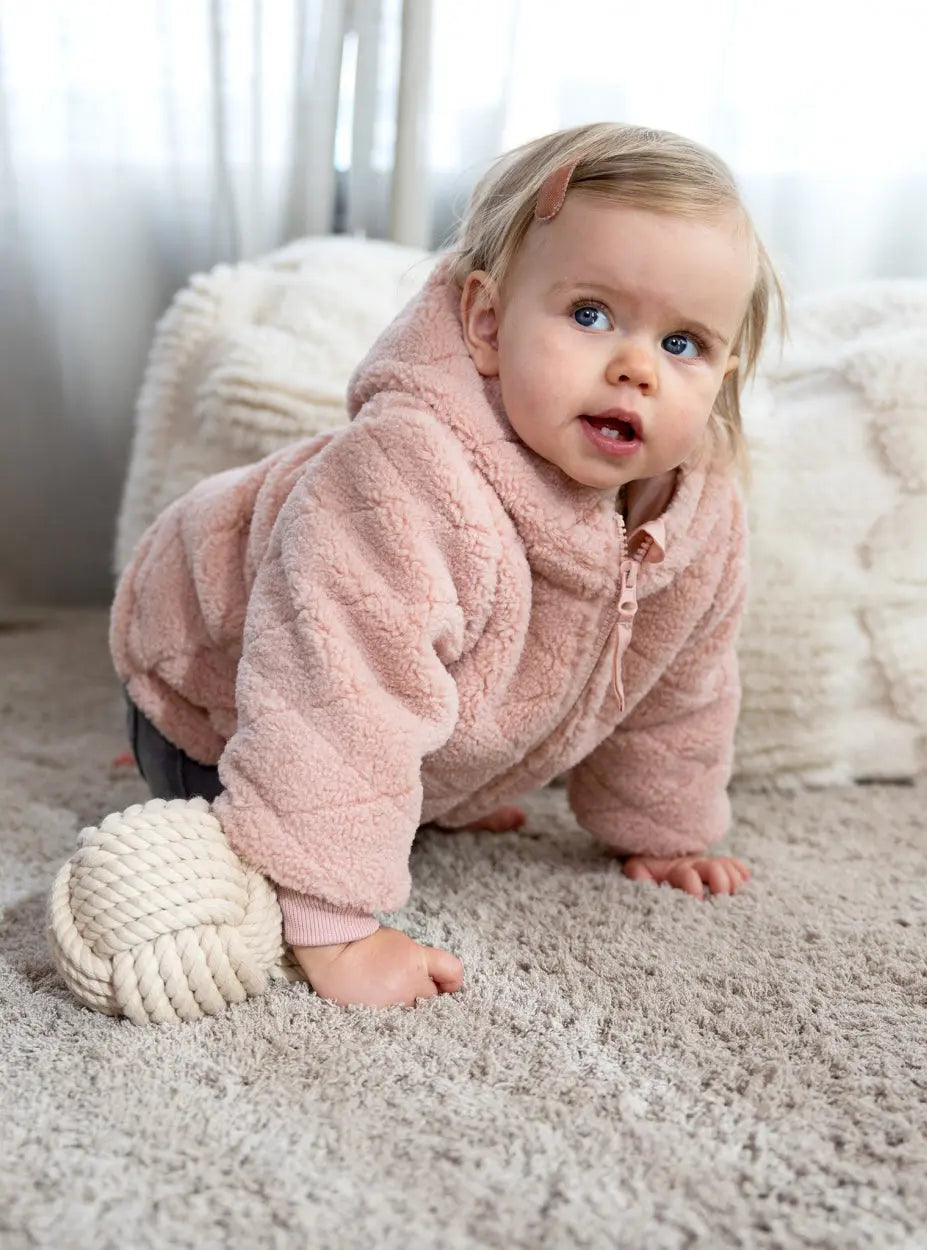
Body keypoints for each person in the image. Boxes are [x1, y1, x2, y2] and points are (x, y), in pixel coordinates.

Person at [110, 121, 784, 1008]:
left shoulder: (696, 520)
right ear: (487, 323)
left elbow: (679, 690)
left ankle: (423, 793)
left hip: (402, 722)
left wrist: (662, 830)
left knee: (414, 743)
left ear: (725, 371)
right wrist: (338, 925)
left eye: (682, 344)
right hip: (217, 700)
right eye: (590, 315)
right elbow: (334, 692)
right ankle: (252, 809)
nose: (636, 370)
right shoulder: (405, 478)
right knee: (225, 853)